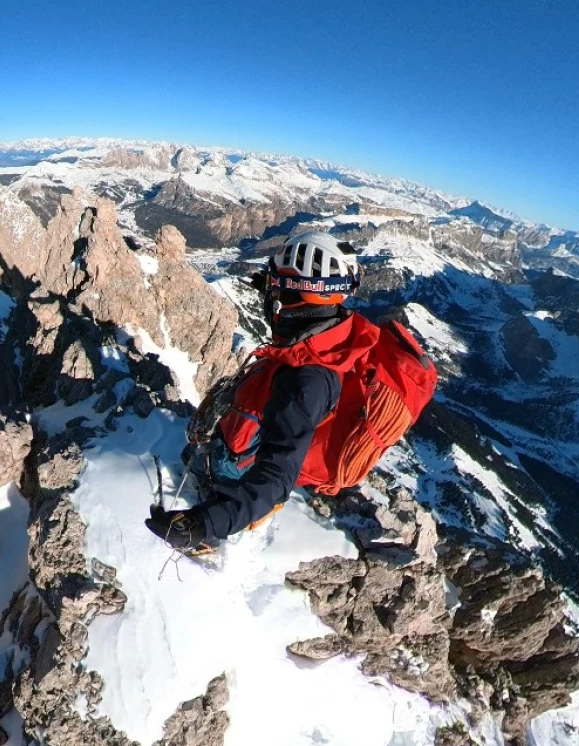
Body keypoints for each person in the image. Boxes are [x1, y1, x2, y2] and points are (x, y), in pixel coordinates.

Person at [145, 230, 436, 557]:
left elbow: (274, 480)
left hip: (240, 477)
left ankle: (219, 528)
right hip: (258, 427)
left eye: (278, 285)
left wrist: (202, 524)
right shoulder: (333, 334)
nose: (271, 295)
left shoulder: (305, 381)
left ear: (298, 295)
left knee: (223, 475)